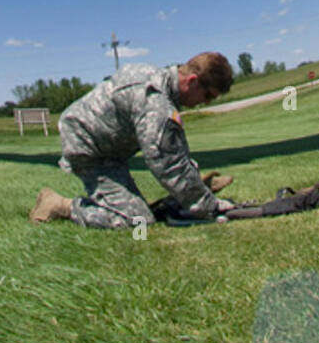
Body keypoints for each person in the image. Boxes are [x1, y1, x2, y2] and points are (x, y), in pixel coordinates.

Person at [29, 51, 235, 228]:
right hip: (87, 148)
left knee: (140, 206)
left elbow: (174, 149)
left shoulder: (157, 81)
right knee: (139, 220)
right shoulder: (155, 103)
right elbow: (167, 164)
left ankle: (190, 192)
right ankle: (60, 205)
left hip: (108, 148)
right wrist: (209, 206)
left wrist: (195, 182)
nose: (205, 102)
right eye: (208, 95)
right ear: (192, 81)